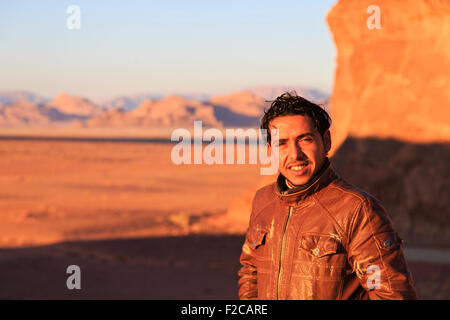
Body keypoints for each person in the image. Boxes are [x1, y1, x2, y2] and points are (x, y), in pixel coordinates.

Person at [238, 92, 417, 300]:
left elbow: (392, 294)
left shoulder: (357, 209)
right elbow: (250, 272)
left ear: (326, 141)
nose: (295, 154)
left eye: (305, 140)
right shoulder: (263, 201)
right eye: (282, 143)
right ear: (270, 150)